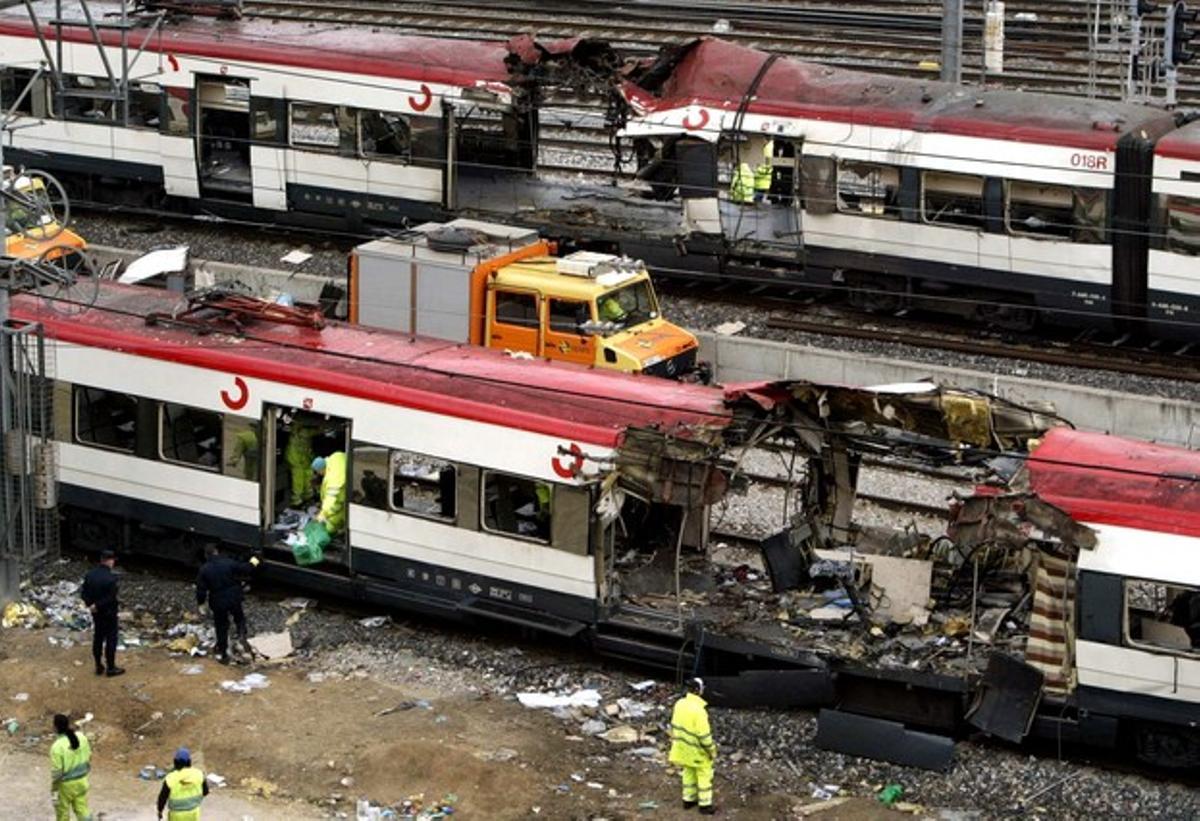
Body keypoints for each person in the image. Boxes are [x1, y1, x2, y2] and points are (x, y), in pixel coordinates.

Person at [196, 545, 261, 664]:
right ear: (216, 552)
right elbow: (248, 568)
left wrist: (201, 603)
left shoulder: (204, 569)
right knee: (239, 617)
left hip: (218, 600)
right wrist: (256, 559)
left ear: (206, 555)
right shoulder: (228, 563)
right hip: (234, 596)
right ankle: (242, 635)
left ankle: (223, 653)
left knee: (221, 626)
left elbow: (201, 590)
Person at [669, 677, 717, 814]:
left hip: (682, 748)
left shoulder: (679, 704)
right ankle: (705, 805)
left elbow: (674, 725)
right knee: (704, 776)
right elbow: (704, 736)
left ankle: (688, 800)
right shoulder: (699, 711)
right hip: (697, 750)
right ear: (698, 690)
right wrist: (711, 750)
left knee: (688, 773)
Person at [81, 549, 124, 677]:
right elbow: (111, 597)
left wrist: (91, 605)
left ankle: (98, 665)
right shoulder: (112, 578)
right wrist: (98, 605)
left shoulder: (90, 575)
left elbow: (84, 594)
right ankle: (111, 667)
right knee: (111, 639)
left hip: (96, 613)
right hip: (109, 612)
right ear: (110, 561)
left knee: (98, 637)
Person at [50, 714, 92, 821]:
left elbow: (57, 772)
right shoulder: (82, 737)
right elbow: (89, 756)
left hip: (65, 786)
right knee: (82, 809)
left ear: (55, 727)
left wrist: (54, 788)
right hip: (82, 781)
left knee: (62, 812)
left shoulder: (57, 747)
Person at [157, 747, 208, 821]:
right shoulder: (199, 774)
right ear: (189, 761)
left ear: (175, 762)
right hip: (194, 814)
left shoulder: (170, 778)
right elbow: (205, 792)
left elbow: (162, 798)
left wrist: (160, 811)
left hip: (176, 816)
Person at [312, 452, 348, 534]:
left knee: (329, 527)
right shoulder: (335, 456)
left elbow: (331, 499)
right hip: (345, 494)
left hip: (339, 503)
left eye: (318, 472)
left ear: (321, 469)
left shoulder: (333, 477)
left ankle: (338, 532)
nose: (319, 474)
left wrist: (323, 514)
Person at [284, 418, 316, 508]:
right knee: (298, 481)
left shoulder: (303, 433)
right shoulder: (300, 431)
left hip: (304, 458)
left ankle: (307, 497)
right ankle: (296, 502)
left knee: (308, 477)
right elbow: (307, 432)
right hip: (296, 460)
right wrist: (322, 429)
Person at [754, 139, 774, 203]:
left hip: (761, 183)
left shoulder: (768, 149)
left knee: (757, 199)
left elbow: (766, 166)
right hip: (764, 182)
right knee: (759, 198)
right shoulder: (769, 147)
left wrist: (756, 171)